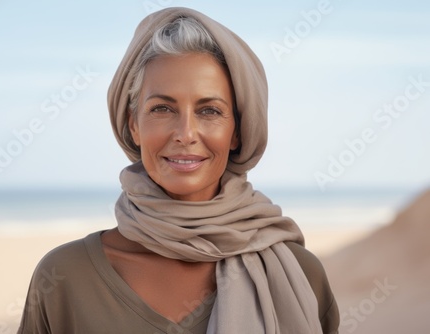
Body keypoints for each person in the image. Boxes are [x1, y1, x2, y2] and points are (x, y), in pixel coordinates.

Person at [17, 7, 339, 334]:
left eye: (209, 110)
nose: (185, 133)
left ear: (237, 132)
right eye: (162, 108)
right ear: (134, 125)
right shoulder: (65, 278)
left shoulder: (299, 274)